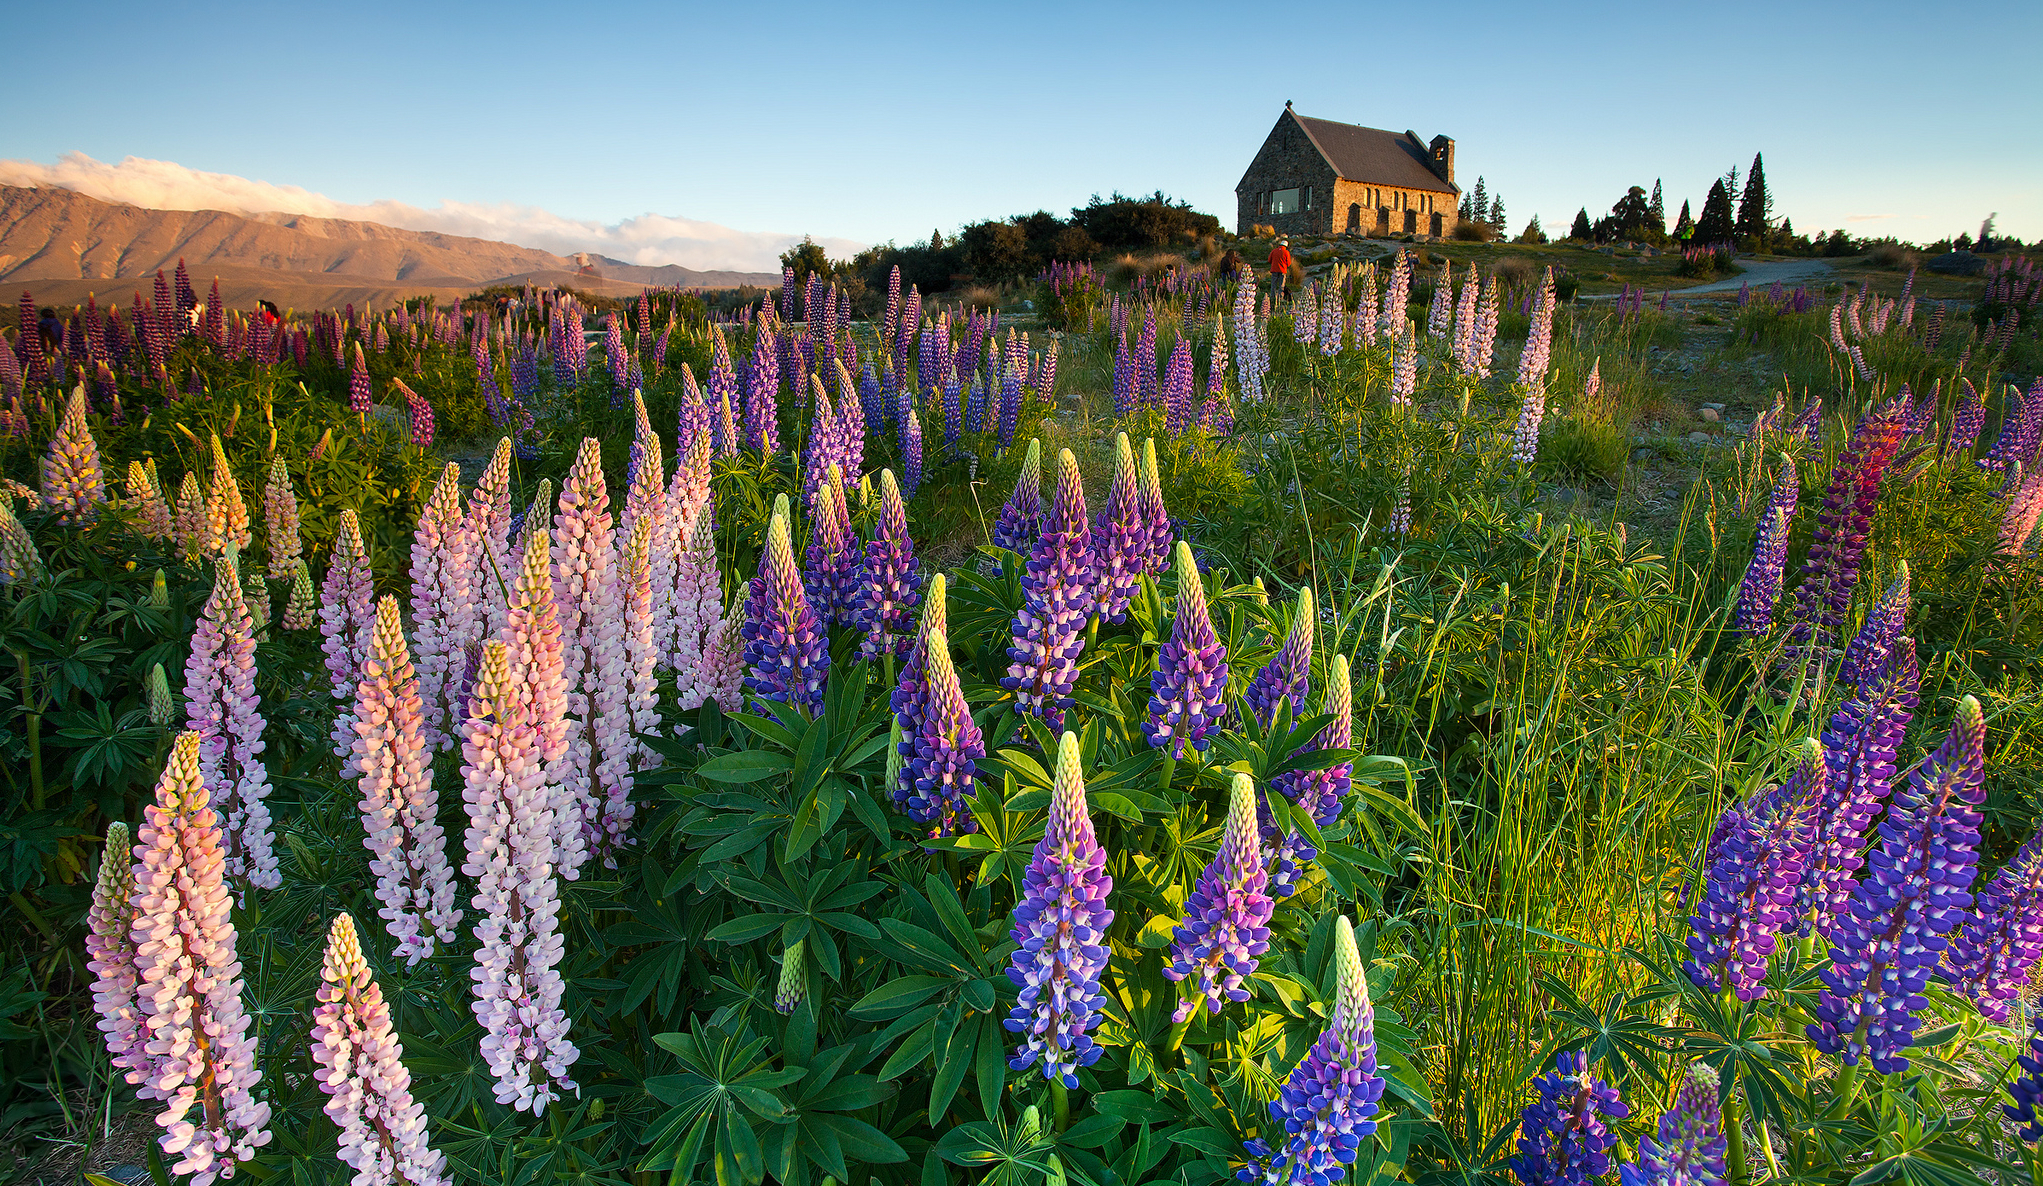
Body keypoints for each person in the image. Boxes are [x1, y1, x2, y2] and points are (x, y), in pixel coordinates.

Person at [1266, 237, 1294, 302]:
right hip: (1282, 270)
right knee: (1281, 285)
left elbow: (1269, 260)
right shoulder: (1286, 252)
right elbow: (1289, 263)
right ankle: (1280, 298)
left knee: (1273, 284)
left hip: (1274, 270)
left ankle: (1272, 297)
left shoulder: (1274, 251)